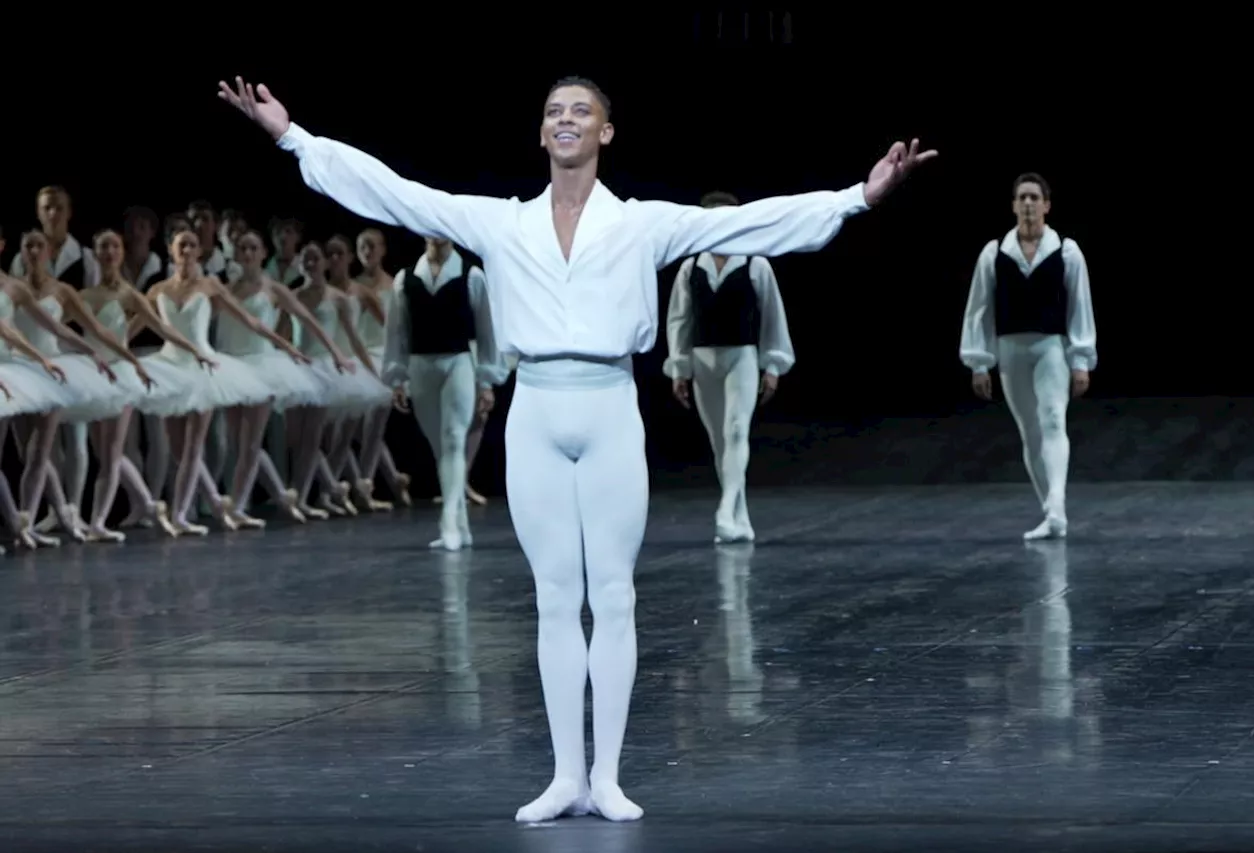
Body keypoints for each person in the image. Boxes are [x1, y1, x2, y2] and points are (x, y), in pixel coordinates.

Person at [218, 73, 935, 823]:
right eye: (554, 112)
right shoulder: (501, 223)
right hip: (535, 411)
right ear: (540, 134)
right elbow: (396, 193)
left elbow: (750, 225)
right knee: (556, 599)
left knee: (614, 595)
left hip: (609, 408)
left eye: (580, 112)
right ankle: (566, 775)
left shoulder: (642, 224)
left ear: (606, 132)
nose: (566, 121)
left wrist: (858, 196)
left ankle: (609, 775)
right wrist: (292, 136)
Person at [959, 172, 1096, 540]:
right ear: (1014, 205)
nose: (1029, 204)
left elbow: (1080, 307)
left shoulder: (1066, 250)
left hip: (1051, 346)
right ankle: (1051, 513)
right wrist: (979, 362)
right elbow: (978, 309)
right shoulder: (995, 253)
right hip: (1011, 348)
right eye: (1022, 197)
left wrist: (1080, 360)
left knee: (1052, 419)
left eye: (1035, 197)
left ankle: (1058, 501)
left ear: (1047, 205)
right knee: (1030, 432)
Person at [664, 191, 795, 544]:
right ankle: (741, 516)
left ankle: (724, 509)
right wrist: (679, 367)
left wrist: (773, 365)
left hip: (742, 357)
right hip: (704, 360)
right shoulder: (691, 267)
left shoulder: (755, 263)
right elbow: (679, 320)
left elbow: (773, 316)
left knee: (737, 430)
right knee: (720, 441)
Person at [385, 236, 508, 550]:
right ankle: (462, 525)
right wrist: (397, 376)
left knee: (454, 437)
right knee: (440, 447)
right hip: (420, 365)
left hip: (458, 363)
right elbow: (398, 330)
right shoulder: (406, 278)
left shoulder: (471, 275)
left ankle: (449, 521)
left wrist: (486, 381)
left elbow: (487, 331)